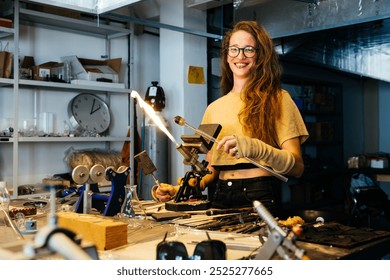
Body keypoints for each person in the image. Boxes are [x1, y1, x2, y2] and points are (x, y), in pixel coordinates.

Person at [153, 21, 308, 214]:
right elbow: (211, 169)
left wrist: (257, 149)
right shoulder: (214, 108)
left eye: (248, 49)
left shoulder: (278, 99)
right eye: (234, 49)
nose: (240, 56)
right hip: (220, 195)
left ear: (260, 56)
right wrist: (180, 190)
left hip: (259, 194)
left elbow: (297, 167)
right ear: (227, 55)